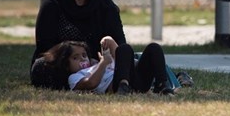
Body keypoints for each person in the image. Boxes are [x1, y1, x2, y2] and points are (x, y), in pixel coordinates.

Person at [31, 0, 127, 90]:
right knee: (41, 66)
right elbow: (44, 46)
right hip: (62, 66)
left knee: (128, 59)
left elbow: (120, 44)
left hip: (99, 65)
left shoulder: (106, 6)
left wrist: (96, 61)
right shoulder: (53, 4)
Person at [42, 37, 174, 95]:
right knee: (124, 52)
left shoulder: (98, 64)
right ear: (66, 65)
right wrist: (103, 63)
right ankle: (123, 86)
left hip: (137, 81)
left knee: (150, 48)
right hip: (116, 87)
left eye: (84, 55)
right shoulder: (75, 77)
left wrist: (109, 40)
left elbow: (123, 57)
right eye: (75, 58)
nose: (82, 59)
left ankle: (162, 85)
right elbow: (91, 83)